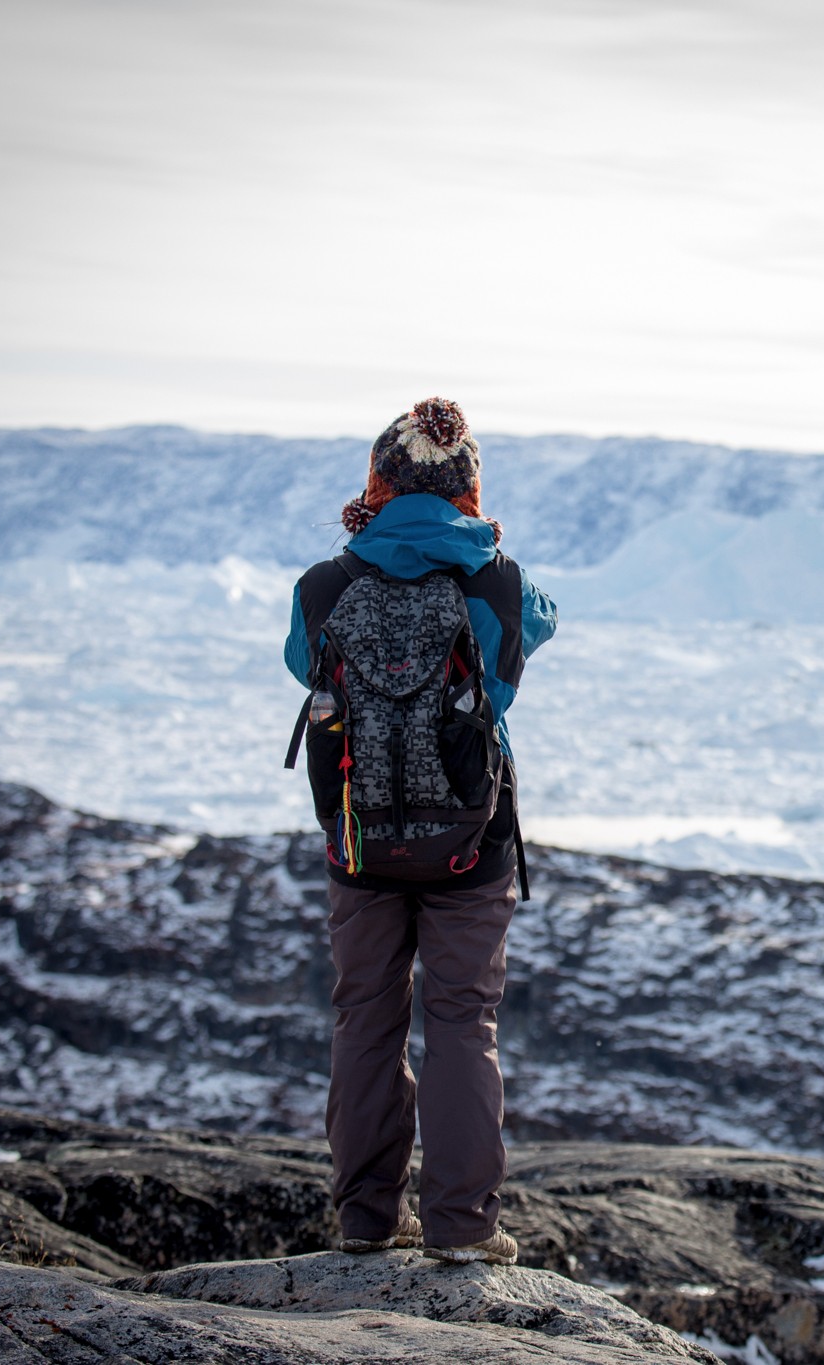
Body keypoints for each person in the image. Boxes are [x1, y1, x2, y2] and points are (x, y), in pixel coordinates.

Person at [282, 397, 557, 1264]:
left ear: (378, 481)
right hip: (470, 844)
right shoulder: (497, 581)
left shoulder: (327, 585)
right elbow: (542, 623)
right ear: (469, 486)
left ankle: (366, 1217)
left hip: (359, 843)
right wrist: (482, 547)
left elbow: (300, 659)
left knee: (364, 1017)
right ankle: (464, 1227)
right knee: (462, 1021)